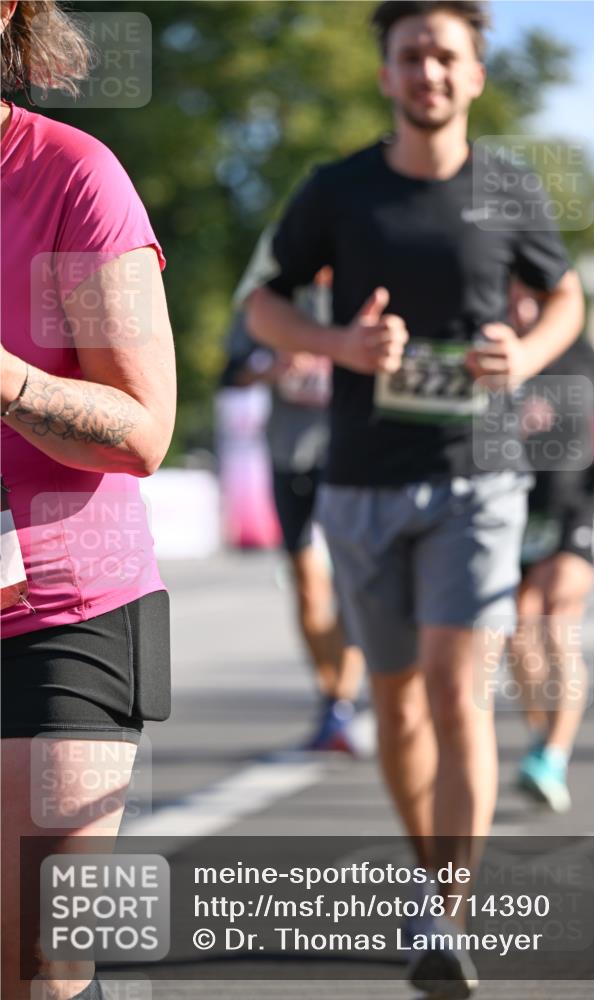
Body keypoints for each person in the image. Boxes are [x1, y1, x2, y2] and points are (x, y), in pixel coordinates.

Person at [245, 2, 584, 994]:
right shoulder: (337, 190)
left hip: (477, 476)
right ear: (387, 74)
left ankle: (448, 910)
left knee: (454, 688)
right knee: (395, 707)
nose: (429, 72)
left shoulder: (510, 190)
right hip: (361, 481)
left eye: (446, 55)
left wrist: (523, 351)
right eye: (410, 56)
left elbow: (558, 296)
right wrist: (341, 343)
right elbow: (263, 302)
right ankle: (426, 879)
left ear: (474, 74)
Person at [1, 3, 176, 998]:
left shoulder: (71, 174)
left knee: (38, 961)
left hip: (61, 614)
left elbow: (144, 428)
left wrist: (8, 381)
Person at [222, 252, 365, 752]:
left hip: (351, 455)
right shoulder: (272, 301)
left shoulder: (365, 291)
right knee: (307, 586)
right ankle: (332, 698)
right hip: (291, 455)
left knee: (352, 583)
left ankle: (342, 700)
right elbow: (231, 370)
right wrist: (274, 366)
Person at [507, 284, 594, 812]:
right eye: (510, 299)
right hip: (515, 508)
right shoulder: (492, 347)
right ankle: (542, 734)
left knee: (559, 614)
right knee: (520, 632)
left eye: (528, 300)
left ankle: (555, 757)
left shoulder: (575, 347)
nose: (519, 310)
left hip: (573, 505)